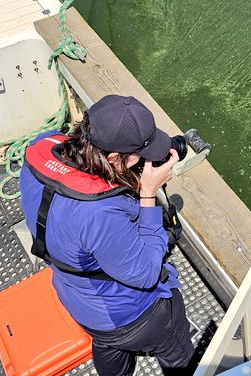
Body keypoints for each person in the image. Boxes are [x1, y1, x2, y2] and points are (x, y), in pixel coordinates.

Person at [19, 94, 195, 376]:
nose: (146, 159)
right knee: (175, 344)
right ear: (113, 157)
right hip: (132, 317)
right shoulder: (99, 213)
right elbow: (147, 273)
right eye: (141, 154)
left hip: (77, 300)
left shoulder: (41, 146)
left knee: (108, 344)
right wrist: (148, 193)